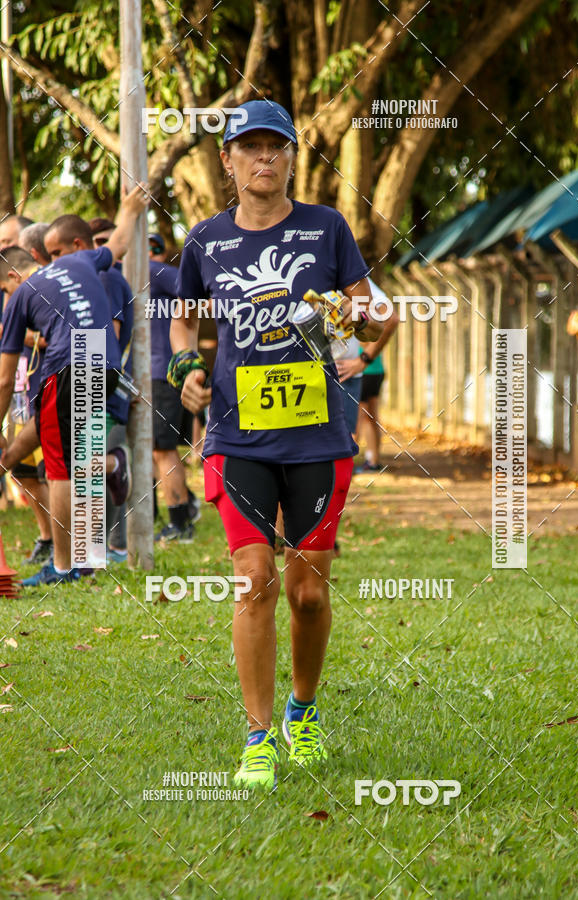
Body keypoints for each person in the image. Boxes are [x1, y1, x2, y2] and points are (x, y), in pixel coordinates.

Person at [170, 100, 383, 791]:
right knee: (253, 580)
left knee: (309, 595)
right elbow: (183, 325)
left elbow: (375, 312)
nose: (264, 158)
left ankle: (303, 710)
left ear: (293, 157)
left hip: (319, 437)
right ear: (227, 161)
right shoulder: (204, 240)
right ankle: (258, 735)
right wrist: (187, 372)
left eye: (276, 147)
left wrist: (362, 325)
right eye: (249, 148)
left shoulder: (328, 227)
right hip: (239, 438)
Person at [0, 184, 149, 585]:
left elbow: (2, 378)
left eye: (3, 286)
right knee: (85, 463)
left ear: (14, 276)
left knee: (61, 470)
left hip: (65, 367)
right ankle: (91, 559)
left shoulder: (19, 296)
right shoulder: (82, 261)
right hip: (102, 356)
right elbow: (117, 243)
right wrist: (131, 206)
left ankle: (63, 567)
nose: (5, 293)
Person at [45, 214, 135, 563]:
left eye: (55, 253)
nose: (51, 263)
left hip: (97, 379)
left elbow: (105, 338)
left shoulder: (103, 278)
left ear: (79, 246)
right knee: (74, 466)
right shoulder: (90, 277)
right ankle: (90, 553)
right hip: (88, 377)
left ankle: (91, 554)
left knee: (81, 466)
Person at [0, 249, 52, 564]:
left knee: (52, 470)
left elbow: (50, 338)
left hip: (45, 387)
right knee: (23, 471)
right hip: (20, 393)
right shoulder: (13, 297)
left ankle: (73, 548)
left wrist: (16, 335)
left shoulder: (43, 289)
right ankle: (47, 536)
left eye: (6, 289)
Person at [147, 233, 199, 541]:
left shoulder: (156, 272)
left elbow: (197, 294)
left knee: (162, 449)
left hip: (162, 375)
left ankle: (181, 523)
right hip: (158, 374)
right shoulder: (143, 276)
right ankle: (183, 507)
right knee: (158, 450)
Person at [354, 280, 399, 472]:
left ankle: (356, 460)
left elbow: (392, 319)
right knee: (371, 416)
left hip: (364, 370)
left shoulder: (364, 314)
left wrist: (363, 358)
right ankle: (373, 459)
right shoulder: (372, 319)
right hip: (376, 369)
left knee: (360, 417)